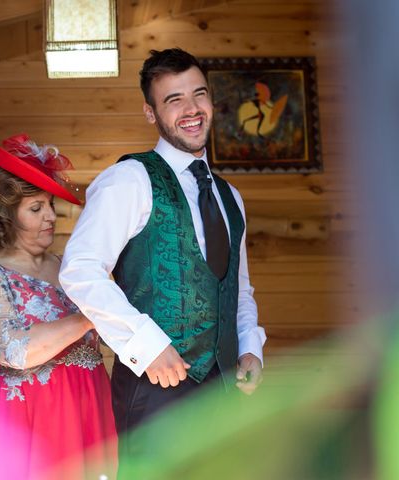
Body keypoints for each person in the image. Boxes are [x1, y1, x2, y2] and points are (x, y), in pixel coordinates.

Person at [59, 48, 267, 467]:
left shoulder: (231, 198)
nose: (191, 109)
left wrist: (250, 348)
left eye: (199, 94)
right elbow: (80, 270)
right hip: (156, 387)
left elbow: (237, 287)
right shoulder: (129, 180)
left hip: (226, 386)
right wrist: (144, 345)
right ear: (151, 113)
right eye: (174, 100)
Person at [0, 134, 117, 479]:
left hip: (88, 403)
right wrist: (89, 316)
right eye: (36, 208)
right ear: (5, 216)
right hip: (29, 418)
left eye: (50, 205)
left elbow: (112, 335)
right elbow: (13, 349)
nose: (51, 216)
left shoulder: (70, 268)